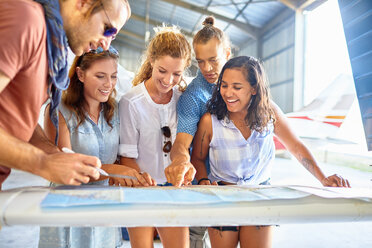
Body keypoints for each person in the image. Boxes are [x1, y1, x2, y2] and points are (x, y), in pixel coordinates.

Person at [191, 56, 351, 248]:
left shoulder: (270, 113)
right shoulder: (211, 121)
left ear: (254, 89)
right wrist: (203, 181)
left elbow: (296, 146)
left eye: (237, 87)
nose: (228, 93)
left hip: (260, 195)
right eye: (224, 85)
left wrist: (323, 178)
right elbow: (198, 158)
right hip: (222, 199)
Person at [0, 0, 130, 189]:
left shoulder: (51, 51)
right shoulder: (26, 19)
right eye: (108, 29)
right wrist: (42, 163)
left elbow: (14, 118)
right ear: (84, 3)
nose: (105, 44)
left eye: (113, 37)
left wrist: (54, 155)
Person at [39, 46, 148, 248]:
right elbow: (63, 169)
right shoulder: (59, 111)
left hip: (104, 209)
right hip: (68, 208)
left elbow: (120, 159)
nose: (109, 84)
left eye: (113, 76)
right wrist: (115, 171)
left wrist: (136, 174)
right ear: (80, 74)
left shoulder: (115, 111)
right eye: (100, 76)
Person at [118, 26, 192, 248]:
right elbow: (127, 157)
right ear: (151, 60)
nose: (169, 80)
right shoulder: (131, 102)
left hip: (174, 189)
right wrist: (145, 186)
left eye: (177, 74)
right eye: (162, 71)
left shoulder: (183, 99)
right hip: (140, 188)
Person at [165, 16, 231, 188]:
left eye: (213, 60)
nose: (206, 68)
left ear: (227, 54)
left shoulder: (245, 84)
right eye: (200, 61)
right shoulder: (193, 97)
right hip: (207, 184)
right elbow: (181, 144)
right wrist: (181, 161)